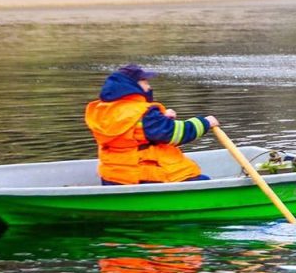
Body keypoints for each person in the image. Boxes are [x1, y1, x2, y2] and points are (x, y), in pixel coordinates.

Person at [85, 64, 219, 185]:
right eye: (145, 82)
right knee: (203, 181)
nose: (149, 87)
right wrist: (205, 123)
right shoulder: (144, 113)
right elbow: (173, 133)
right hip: (145, 176)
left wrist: (162, 119)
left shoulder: (102, 111)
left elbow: (135, 132)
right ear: (131, 85)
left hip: (113, 178)